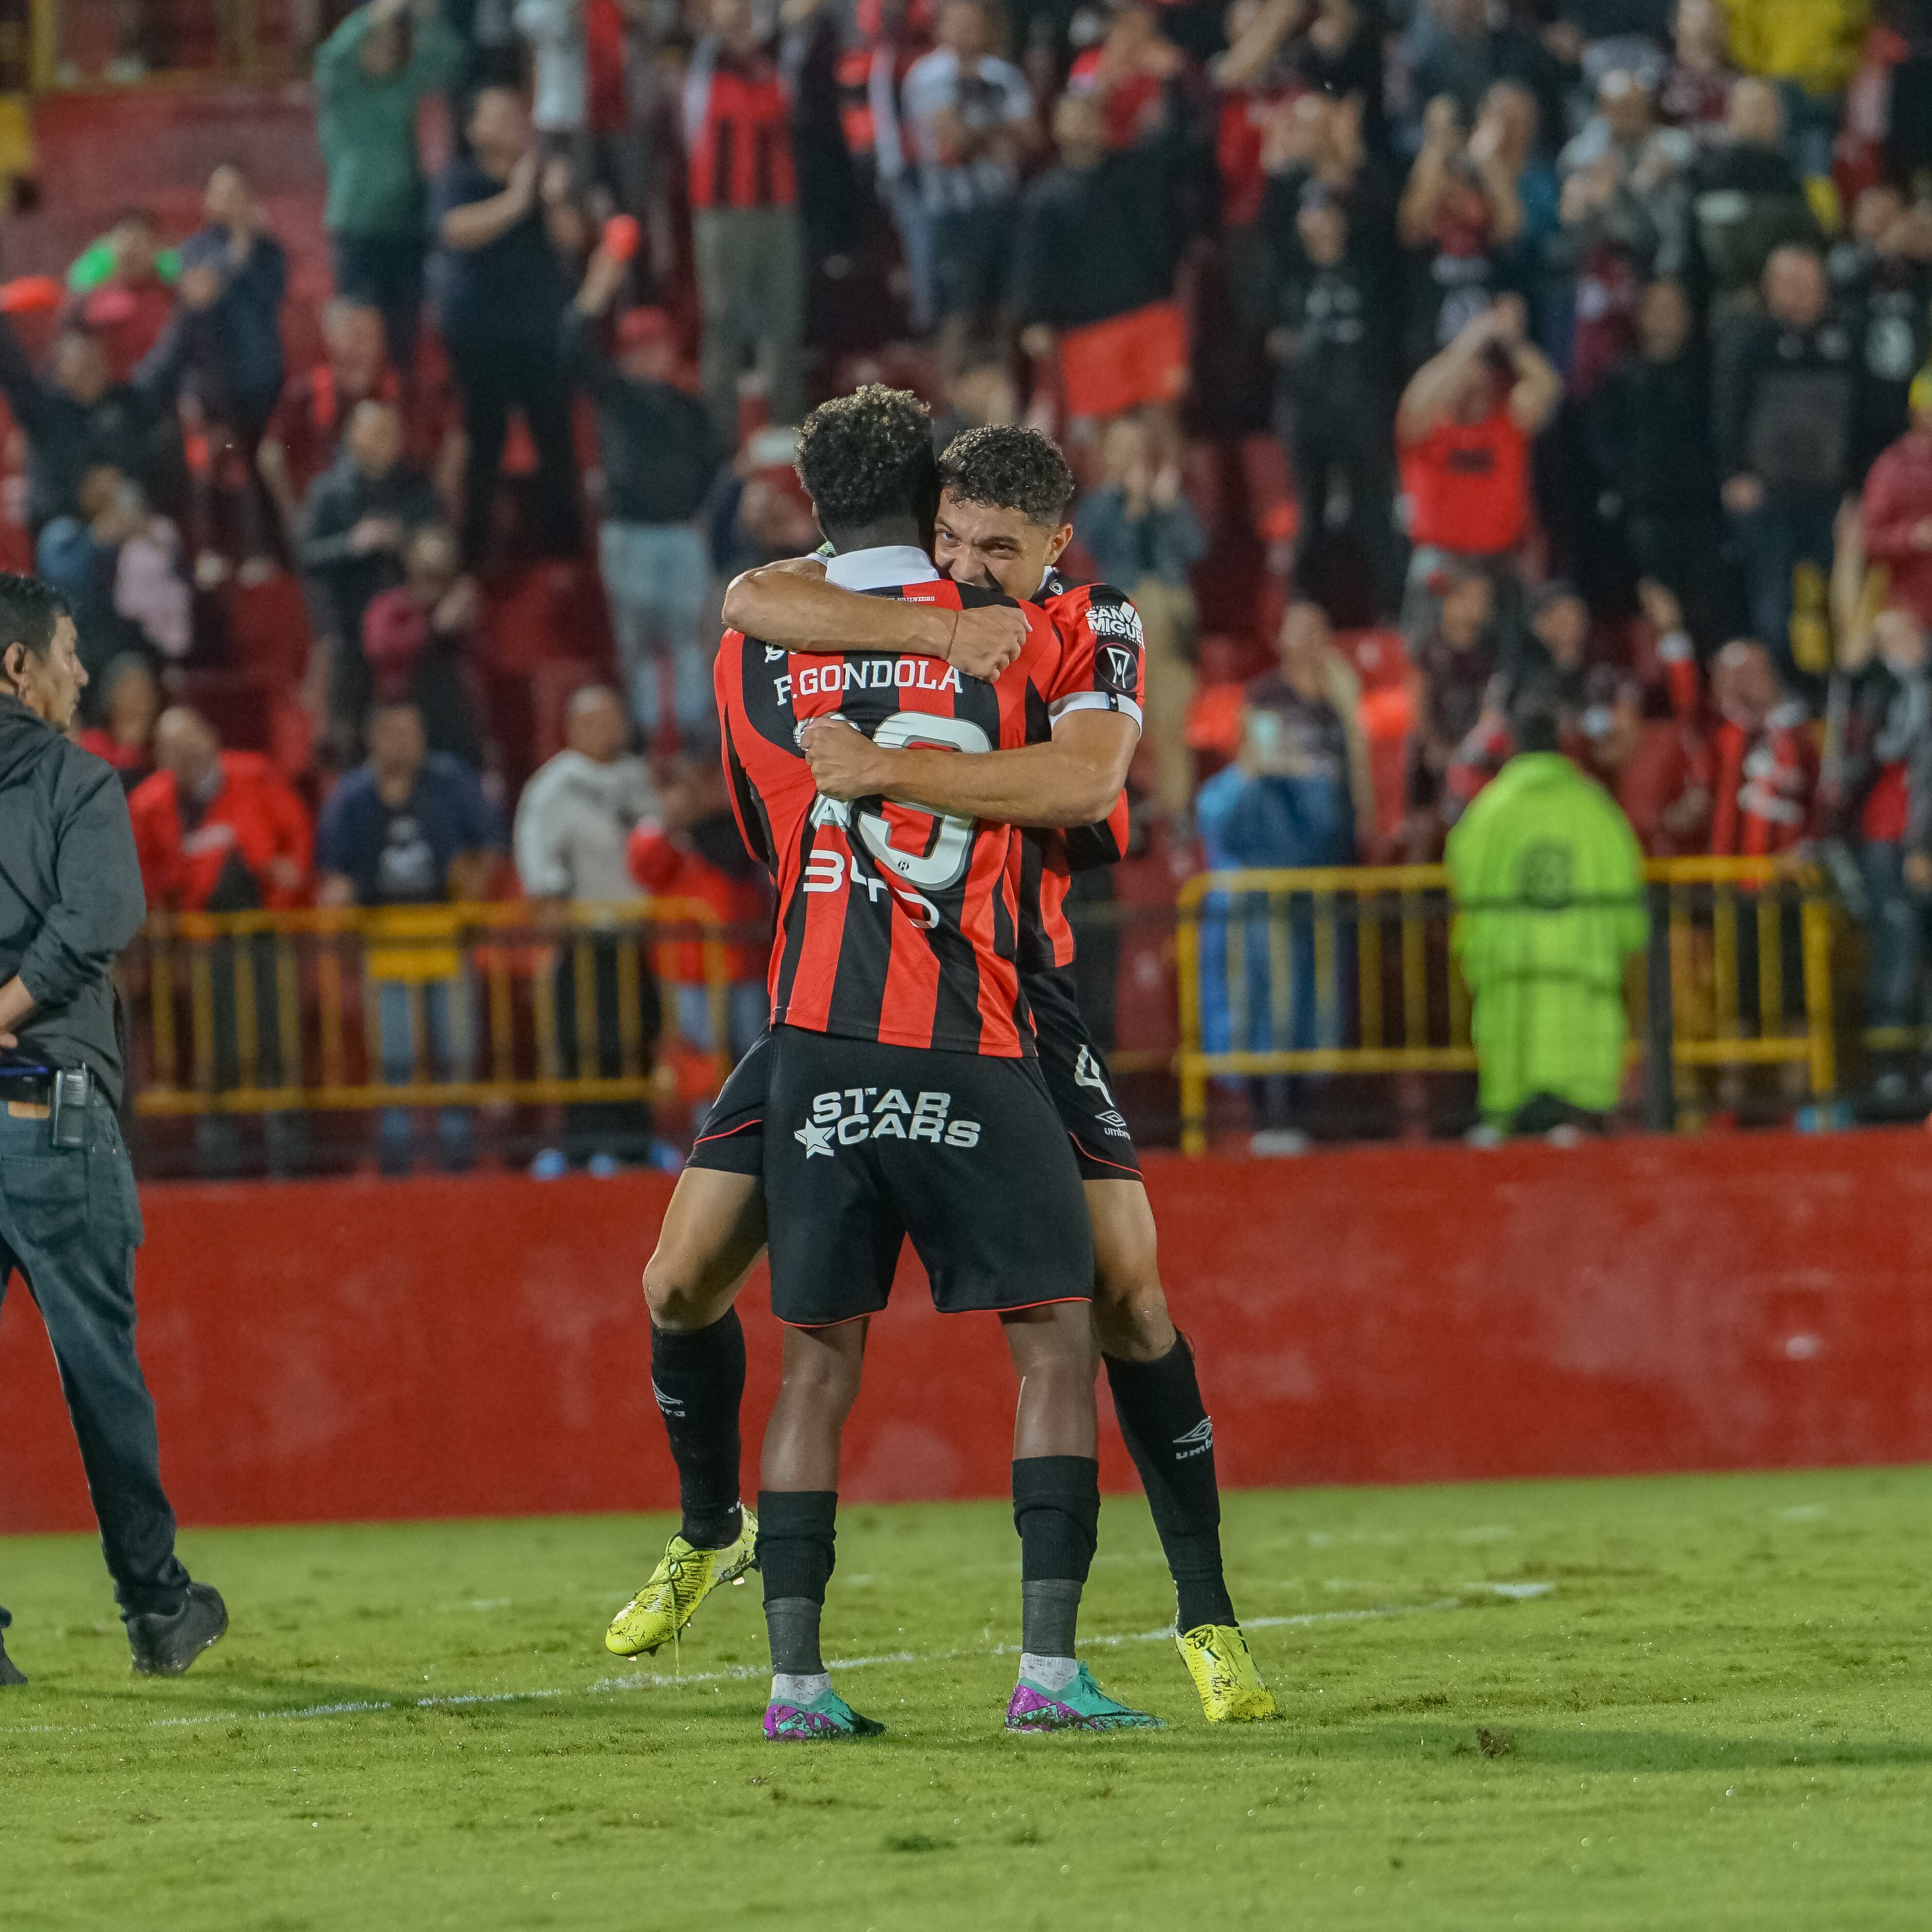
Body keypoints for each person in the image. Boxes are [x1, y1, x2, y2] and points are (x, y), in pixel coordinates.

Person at [687, 420, 1278, 1725]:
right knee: (695, 1281)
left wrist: (888, 764)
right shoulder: (929, 613)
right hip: (860, 983)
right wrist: (939, 630)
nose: (967, 565)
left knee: (1126, 1292)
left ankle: (1206, 1615)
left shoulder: (1089, 617)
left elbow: (1085, 778)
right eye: (947, 538)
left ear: (1055, 545)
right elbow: (748, 596)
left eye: (997, 549)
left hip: (1021, 987)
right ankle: (712, 1540)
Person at [0, 573, 227, 1683]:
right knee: (98, 1368)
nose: (82, 674)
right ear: (17, 668)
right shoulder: (75, 782)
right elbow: (101, 916)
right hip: (44, 1105)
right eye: (71, 653)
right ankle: (156, 1607)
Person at [315, 700, 504, 1173]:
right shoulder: (353, 796)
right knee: (394, 1057)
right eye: (394, 733)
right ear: (374, 740)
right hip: (385, 938)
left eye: (412, 733)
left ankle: (458, 1153)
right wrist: (340, 900)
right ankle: (396, 1156)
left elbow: (488, 846)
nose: (405, 743)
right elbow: (333, 870)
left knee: (455, 1050)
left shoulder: (451, 781)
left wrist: (474, 883)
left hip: (444, 931)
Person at [1447, 697, 1648, 1137]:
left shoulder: (1489, 811)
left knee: (1512, 1063)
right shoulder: (1594, 807)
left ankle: (1506, 1124)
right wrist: (1627, 936)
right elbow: (1625, 874)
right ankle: (1573, 1120)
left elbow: (1463, 872)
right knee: (1576, 1066)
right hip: (1582, 963)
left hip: (1510, 963)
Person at [129, 707, 313, 1174]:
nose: (185, 756)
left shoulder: (254, 775)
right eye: (172, 748)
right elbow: (141, 874)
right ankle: (219, 1158)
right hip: (204, 940)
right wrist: (156, 924)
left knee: (278, 1041)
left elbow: (296, 832)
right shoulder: (151, 804)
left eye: (191, 742)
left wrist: (292, 874)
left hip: (267, 930)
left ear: (211, 739)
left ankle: (286, 1154)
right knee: (218, 1048)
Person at [567, 244, 719, 744]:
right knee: (637, 646)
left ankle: (697, 743)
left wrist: (699, 514)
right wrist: (597, 287)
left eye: (658, 345)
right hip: (629, 534)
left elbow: (713, 466)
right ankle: (645, 742)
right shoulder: (616, 394)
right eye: (641, 347)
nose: (652, 355)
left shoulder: (689, 408)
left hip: (679, 533)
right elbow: (571, 347)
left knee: (688, 645)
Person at [429, 84, 587, 562]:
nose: (514, 126)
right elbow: (455, 231)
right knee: (485, 442)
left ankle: (564, 550)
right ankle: (477, 550)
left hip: (539, 331)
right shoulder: (458, 179)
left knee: (554, 440)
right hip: (480, 335)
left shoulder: (545, 178)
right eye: (499, 117)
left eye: (517, 116)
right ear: (474, 129)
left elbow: (573, 238)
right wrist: (519, 199)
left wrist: (555, 199)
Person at [513, 683, 661, 1172]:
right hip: (585, 940)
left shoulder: (636, 778)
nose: (615, 729)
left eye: (617, 718)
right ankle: (585, 1147)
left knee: (637, 1040)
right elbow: (539, 862)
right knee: (588, 1046)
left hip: (637, 938)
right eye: (602, 720)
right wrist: (550, 902)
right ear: (575, 727)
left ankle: (635, 1145)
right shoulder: (554, 786)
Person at [1714, 244, 1861, 687]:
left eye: (1811, 283)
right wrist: (1733, 474)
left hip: (1831, 498)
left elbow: (1863, 419)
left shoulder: (1845, 337)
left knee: (1840, 601)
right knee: (1774, 605)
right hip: (1768, 496)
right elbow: (1727, 413)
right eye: (1791, 283)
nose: (1802, 294)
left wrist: (1857, 489)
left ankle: (1840, 693)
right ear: (1770, 288)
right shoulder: (1748, 341)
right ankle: (1784, 696)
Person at [1010, 87, 1188, 425]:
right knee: (1107, 429)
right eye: (1075, 118)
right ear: (1056, 128)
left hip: (1151, 314)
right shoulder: (1044, 200)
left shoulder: (1137, 173)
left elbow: (1179, 142)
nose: (1085, 125)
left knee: (1165, 418)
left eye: (1091, 116)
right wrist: (1036, 319)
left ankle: (1170, 481)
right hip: (1089, 330)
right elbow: (1034, 264)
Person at [1270, 179, 1403, 617]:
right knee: (1309, 521)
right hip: (1308, 415)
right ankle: (1306, 618)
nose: (1321, 225)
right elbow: (1268, 337)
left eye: (1329, 214)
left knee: (1376, 518)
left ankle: (1392, 616)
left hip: (1362, 410)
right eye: (1312, 215)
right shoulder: (1287, 276)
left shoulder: (1370, 271)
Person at [1395, 294, 1560, 634]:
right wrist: (1468, 345)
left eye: (1484, 371)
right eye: (1467, 373)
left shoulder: (1508, 423)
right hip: (1443, 560)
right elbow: (1417, 400)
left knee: (1517, 638)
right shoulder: (1429, 426)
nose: (1475, 381)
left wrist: (1511, 341)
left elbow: (1549, 388)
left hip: (1500, 560)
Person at [315, 0, 465, 372]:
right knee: (359, 334)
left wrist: (427, 17)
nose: (381, 49)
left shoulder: (407, 82)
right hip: (358, 228)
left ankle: (401, 413)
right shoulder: (344, 90)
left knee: (405, 339)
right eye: (373, 43)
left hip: (408, 224)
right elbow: (331, 56)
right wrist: (376, 15)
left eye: (389, 42)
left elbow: (450, 57)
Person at [682, 0, 807, 443]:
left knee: (784, 319)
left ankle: (788, 429)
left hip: (777, 208)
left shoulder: (776, 62)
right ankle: (722, 437)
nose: (738, 20)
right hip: (721, 211)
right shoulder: (704, 63)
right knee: (723, 322)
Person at [1073, 413, 1206, 822]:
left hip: (1168, 637)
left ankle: (1176, 807)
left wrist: (1166, 511)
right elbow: (1101, 549)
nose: (1131, 458)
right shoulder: (1099, 507)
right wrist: (1132, 508)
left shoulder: (1169, 501)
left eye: (1137, 449)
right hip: (1123, 627)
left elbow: (1198, 548)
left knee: (1170, 714)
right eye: (1122, 449)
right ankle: (1128, 799)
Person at [166, 162, 289, 585]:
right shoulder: (194, 251)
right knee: (213, 469)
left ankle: (263, 551)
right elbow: (200, 296)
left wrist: (248, 243)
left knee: (260, 467)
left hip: (262, 382)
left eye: (239, 192)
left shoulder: (271, 252)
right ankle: (213, 552)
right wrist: (235, 252)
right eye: (222, 192)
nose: (230, 201)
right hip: (211, 383)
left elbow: (270, 294)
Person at [298, 399, 444, 748]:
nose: (386, 443)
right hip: (352, 629)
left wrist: (406, 540)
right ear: (355, 440)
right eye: (376, 434)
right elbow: (307, 555)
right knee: (356, 734)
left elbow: (441, 540)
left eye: (391, 435)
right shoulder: (328, 495)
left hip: (415, 629)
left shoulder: (416, 486)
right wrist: (353, 544)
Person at [902, 0, 1037, 372]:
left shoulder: (1005, 75)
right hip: (952, 213)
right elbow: (953, 144)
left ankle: (1002, 414)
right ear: (941, 27)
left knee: (1007, 312)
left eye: (975, 20)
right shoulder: (926, 75)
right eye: (960, 20)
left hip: (1003, 205)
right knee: (958, 314)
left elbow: (1031, 139)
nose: (968, 28)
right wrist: (999, 132)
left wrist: (979, 136)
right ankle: (949, 419)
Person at [625, 754, 769, 1064]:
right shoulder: (657, 833)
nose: (695, 794)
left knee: (755, 1058)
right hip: (689, 972)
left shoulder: (738, 829)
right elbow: (646, 871)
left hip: (746, 962)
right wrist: (670, 823)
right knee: (703, 1065)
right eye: (686, 788)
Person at [0, 313, 185, 540]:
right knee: (63, 540)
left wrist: (191, 310)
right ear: (61, 367)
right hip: (70, 533)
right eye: (80, 361)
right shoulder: (44, 412)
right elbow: (12, 369)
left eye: (95, 358)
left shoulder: (129, 404)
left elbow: (168, 365)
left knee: (158, 538)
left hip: (130, 524)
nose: (89, 368)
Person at [359, 523, 490, 768]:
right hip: (404, 716)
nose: (432, 585)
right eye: (426, 574)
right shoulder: (391, 607)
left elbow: (482, 661)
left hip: (456, 724)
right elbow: (380, 648)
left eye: (440, 576)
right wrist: (434, 628)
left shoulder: (459, 610)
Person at [1858, 367, 1932, 634]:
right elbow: (1869, 539)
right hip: (1911, 616)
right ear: (1916, 414)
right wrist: (1914, 536)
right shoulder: (1893, 468)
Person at [77, 651, 160, 790]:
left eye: (144, 689)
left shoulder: (162, 751)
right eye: (129, 688)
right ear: (110, 697)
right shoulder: (89, 745)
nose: (137, 698)